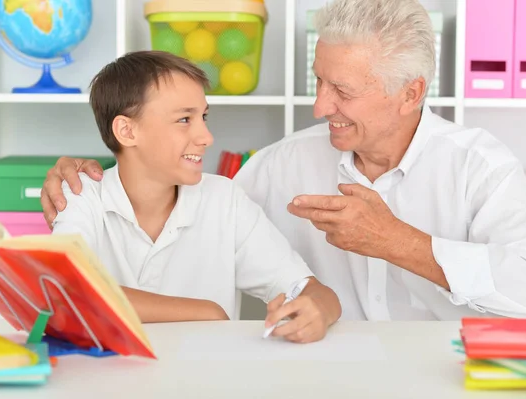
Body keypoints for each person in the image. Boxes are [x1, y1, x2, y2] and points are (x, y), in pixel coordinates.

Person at [41, 0, 526, 321]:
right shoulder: (278, 166)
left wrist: (398, 242)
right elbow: (182, 194)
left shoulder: (480, 166)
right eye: (318, 80)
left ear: (411, 93)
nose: (318, 107)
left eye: (343, 90)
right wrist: (89, 167)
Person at [48, 50, 341, 343]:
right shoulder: (80, 194)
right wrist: (206, 311)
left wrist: (319, 310)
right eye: (184, 119)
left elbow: (309, 290)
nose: (206, 137)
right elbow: (62, 291)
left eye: (203, 116)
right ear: (127, 130)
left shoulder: (224, 199)